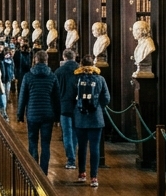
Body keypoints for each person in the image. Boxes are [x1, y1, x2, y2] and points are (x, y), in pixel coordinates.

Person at [67, 54, 110, 187]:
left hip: (80, 117)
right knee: (95, 147)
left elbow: (70, 97)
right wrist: (97, 107)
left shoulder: (75, 79)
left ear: (81, 64)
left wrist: (77, 109)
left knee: (81, 146)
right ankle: (94, 177)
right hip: (96, 118)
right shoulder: (100, 79)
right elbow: (106, 98)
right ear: (93, 65)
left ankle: (81, 174)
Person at [17, 50, 61, 175]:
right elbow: (56, 98)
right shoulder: (52, 76)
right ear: (46, 60)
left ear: (35, 60)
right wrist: (57, 116)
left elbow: (23, 97)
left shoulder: (28, 76)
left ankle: (34, 171)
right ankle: (44, 173)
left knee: (33, 142)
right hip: (48, 114)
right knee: (46, 144)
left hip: (32, 114)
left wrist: (20, 115)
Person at [55, 48, 81, 170]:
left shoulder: (59, 71)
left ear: (64, 57)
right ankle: (73, 157)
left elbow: (56, 92)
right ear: (74, 57)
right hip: (78, 105)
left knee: (67, 133)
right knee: (75, 132)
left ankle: (71, 159)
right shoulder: (80, 71)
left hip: (64, 105)